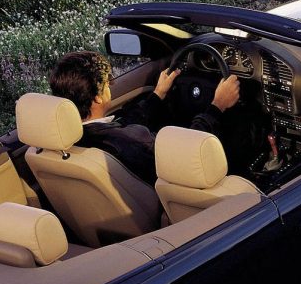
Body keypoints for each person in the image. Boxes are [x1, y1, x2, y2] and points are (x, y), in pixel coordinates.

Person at [47, 50, 241, 185]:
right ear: (97, 97)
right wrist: (217, 106)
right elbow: (189, 154)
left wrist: (158, 94)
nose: (111, 86)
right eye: (108, 83)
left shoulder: (63, 140)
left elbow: (125, 121)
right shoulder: (131, 140)